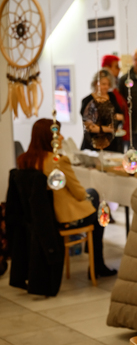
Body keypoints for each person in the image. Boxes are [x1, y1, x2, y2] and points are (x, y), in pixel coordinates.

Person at [17, 118, 117, 277]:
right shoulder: (58, 161)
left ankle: (95, 261)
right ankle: (97, 264)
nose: (62, 137)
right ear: (48, 137)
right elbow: (79, 193)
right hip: (63, 217)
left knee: (94, 198)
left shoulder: (25, 160)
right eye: (58, 134)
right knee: (98, 204)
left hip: (41, 218)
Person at [80, 69, 124, 153]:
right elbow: (89, 127)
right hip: (94, 143)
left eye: (108, 84)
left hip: (112, 143)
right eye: (103, 84)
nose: (106, 87)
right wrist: (109, 129)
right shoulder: (87, 101)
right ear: (95, 83)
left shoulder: (111, 96)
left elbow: (121, 115)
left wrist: (115, 117)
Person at [102, 54, 130, 146]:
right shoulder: (107, 92)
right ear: (107, 68)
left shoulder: (116, 88)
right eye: (116, 67)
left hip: (118, 132)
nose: (119, 69)